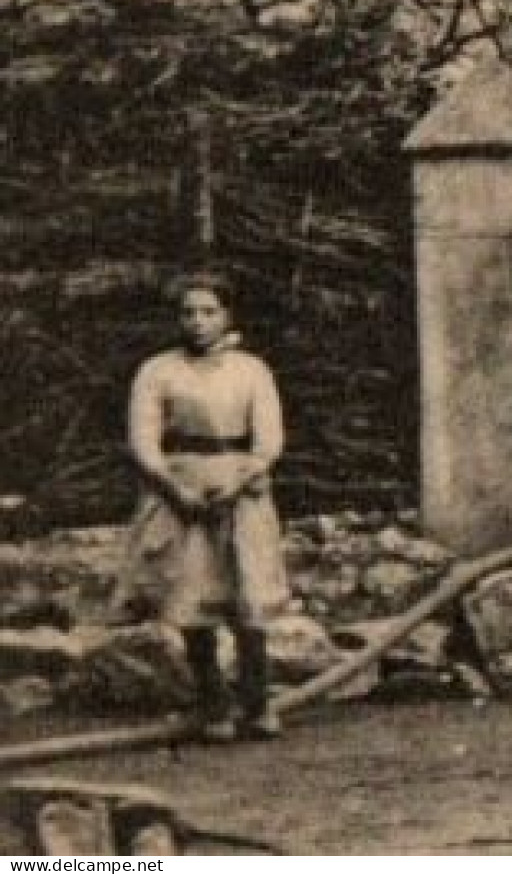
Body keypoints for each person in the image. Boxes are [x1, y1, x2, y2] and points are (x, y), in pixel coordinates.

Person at [114, 271, 289, 741]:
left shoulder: (251, 370)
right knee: (194, 599)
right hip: (182, 490)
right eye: (188, 312)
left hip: (239, 487)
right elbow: (143, 440)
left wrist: (242, 479)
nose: (197, 322)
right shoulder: (158, 371)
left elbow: (269, 440)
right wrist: (174, 489)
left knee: (248, 597)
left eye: (208, 311)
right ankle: (214, 705)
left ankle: (257, 703)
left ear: (227, 316)